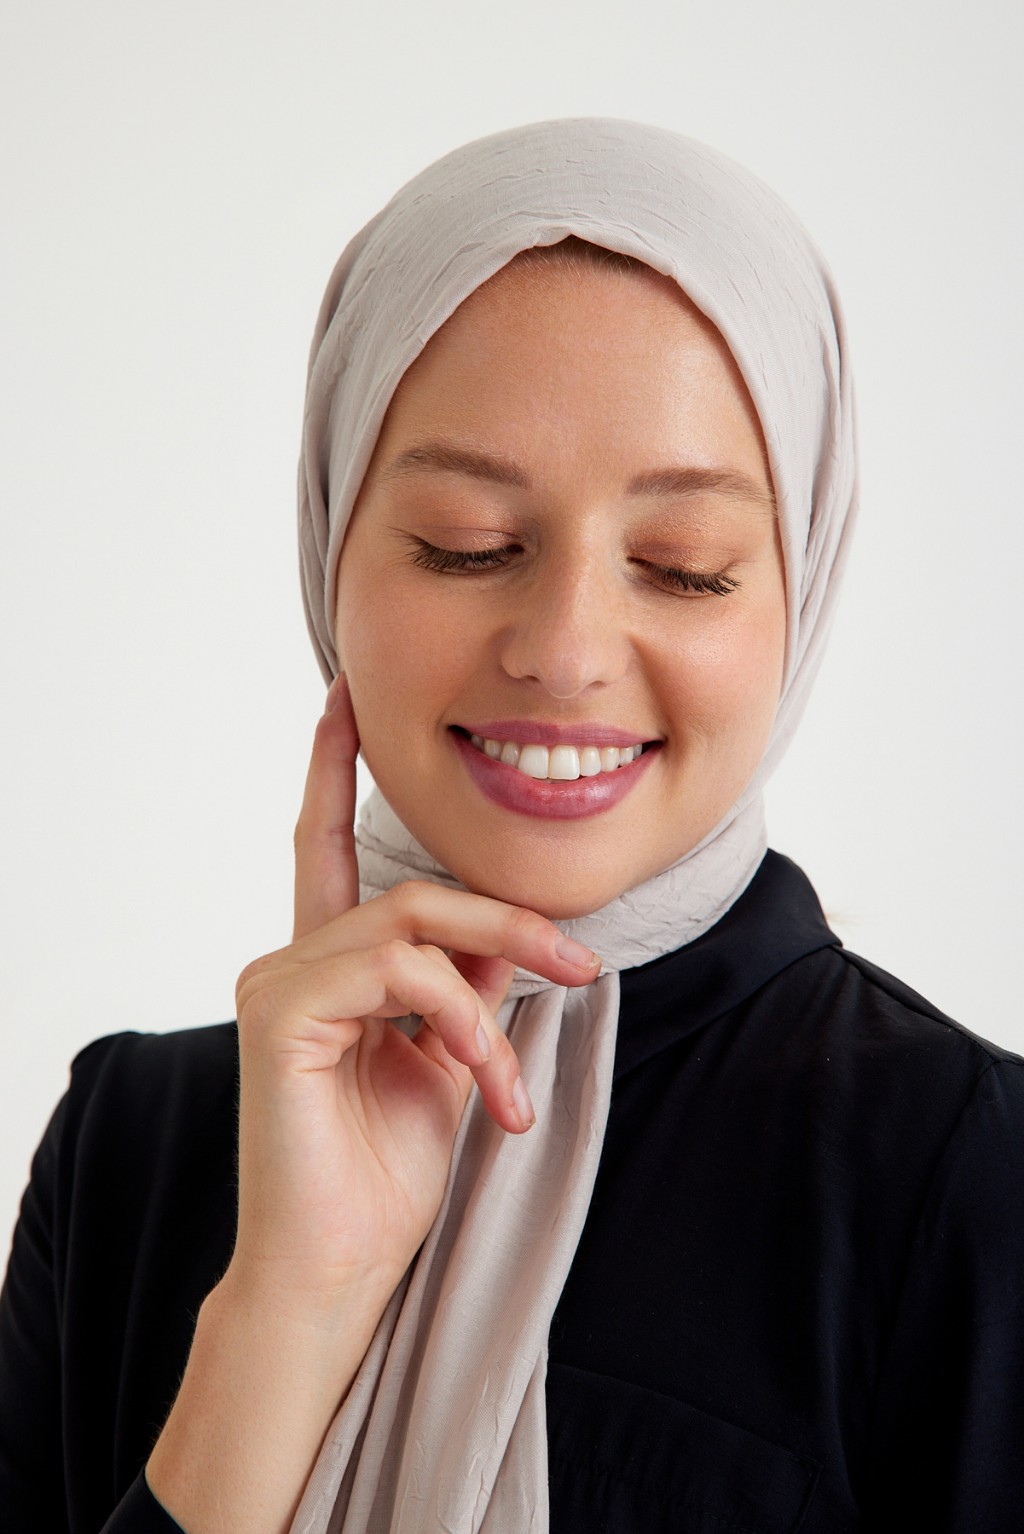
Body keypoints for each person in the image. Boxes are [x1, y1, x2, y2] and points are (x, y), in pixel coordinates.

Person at [1, 118, 1022, 1534]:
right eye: (467, 543)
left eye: (685, 566)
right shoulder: (132, 1143)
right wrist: (289, 1308)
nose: (565, 650)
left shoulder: (969, 1181)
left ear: (803, 588)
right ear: (330, 553)